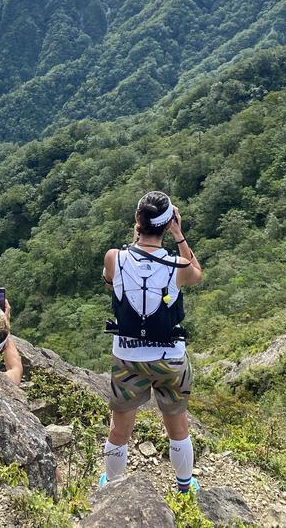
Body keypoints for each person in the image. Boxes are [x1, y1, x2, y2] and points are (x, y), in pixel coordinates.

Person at [101, 192, 203, 493]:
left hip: (128, 357)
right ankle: (185, 486)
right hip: (170, 358)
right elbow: (197, 275)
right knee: (177, 425)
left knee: (119, 430)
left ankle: (113, 487)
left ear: (137, 222)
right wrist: (179, 234)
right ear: (168, 222)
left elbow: (111, 283)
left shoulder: (114, 258)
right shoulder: (177, 265)